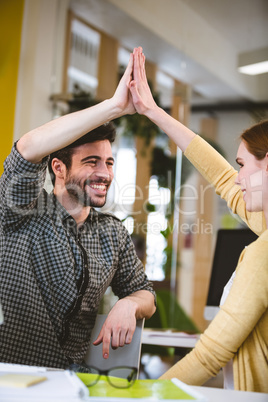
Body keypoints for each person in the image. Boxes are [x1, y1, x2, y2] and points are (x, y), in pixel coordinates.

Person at [0, 53, 155, 369]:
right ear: (58, 167)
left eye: (109, 162)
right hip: (11, 379)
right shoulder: (20, 209)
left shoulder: (112, 232)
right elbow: (27, 149)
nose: (105, 173)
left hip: (73, 383)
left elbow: (146, 295)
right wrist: (113, 107)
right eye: (91, 162)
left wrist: (129, 303)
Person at [129, 47, 268, 393]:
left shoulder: (264, 253)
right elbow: (221, 178)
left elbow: (209, 357)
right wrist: (155, 113)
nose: (237, 177)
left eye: (242, 165)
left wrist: (144, 395)